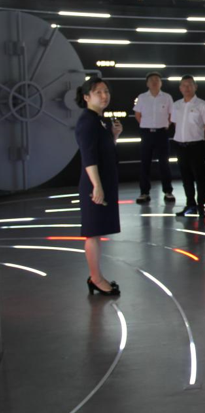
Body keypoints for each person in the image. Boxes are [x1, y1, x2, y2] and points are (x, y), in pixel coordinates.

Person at [75, 78, 122, 296]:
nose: (104, 96)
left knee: (97, 231)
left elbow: (104, 151)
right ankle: (95, 278)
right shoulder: (87, 122)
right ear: (86, 97)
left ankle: (96, 276)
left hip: (102, 181)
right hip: (95, 183)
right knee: (92, 233)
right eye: (98, 92)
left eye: (106, 91)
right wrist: (97, 186)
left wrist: (114, 136)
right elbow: (89, 157)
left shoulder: (98, 121)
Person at [171, 76, 205, 219]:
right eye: (183, 85)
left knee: (200, 177)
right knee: (186, 177)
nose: (186, 88)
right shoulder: (176, 105)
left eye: (189, 85)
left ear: (195, 87)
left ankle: (201, 205)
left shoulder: (202, 105)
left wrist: (201, 140)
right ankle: (190, 205)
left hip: (197, 146)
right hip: (180, 146)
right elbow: (175, 124)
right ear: (180, 88)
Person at [133, 71, 175, 204]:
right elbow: (137, 114)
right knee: (145, 163)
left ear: (161, 83)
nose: (154, 82)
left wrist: (166, 125)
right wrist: (146, 125)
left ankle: (168, 191)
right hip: (146, 134)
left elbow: (171, 114)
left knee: (164, 163)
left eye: (157, 80)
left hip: (162, 133)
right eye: (151, 80)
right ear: (147, 83)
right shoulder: (142, 97)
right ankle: (144, 192)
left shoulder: (167, 97)